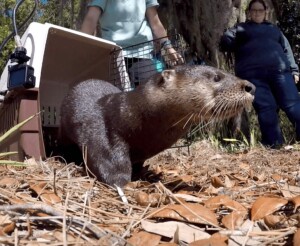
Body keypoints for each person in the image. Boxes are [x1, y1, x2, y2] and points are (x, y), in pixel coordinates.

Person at [220, 0, 300, 148]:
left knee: (292, 104)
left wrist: (294, 70)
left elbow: (286, 49)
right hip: (253, 75)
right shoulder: (240, 28)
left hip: (280, 72)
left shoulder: (274, 29)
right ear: (249, 13)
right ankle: (274, 144)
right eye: (253, 10)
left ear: (266, 12)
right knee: (266, 107)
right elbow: (225, 43)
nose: (257, 13)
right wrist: (228, 35)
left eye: (260, 10)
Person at [81, 0, 183, 88]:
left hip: (143, 53)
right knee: (116, 99)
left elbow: (155, 22)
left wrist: (168, 46)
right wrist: (81, 47)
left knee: (152, 94)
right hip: (114, 54)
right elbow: (91, 19)